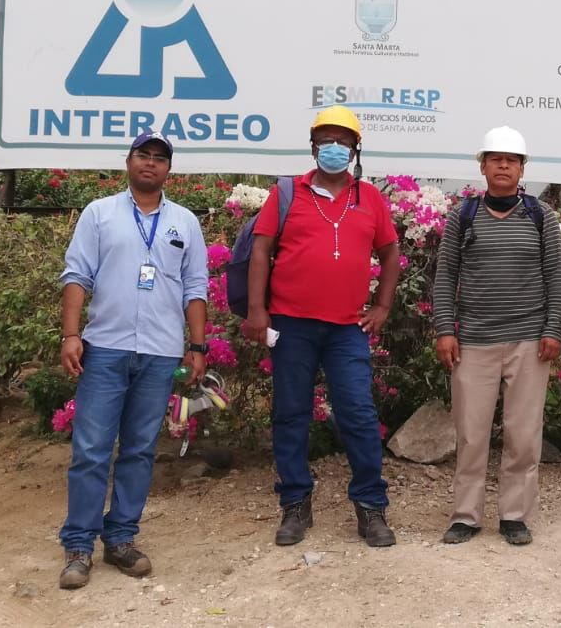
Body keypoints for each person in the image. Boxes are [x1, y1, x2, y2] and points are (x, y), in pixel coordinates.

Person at [241, 105, 402, 548]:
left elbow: (390, 253)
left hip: (347, 329)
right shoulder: (287, 192)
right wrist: (258, 310)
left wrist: (383, 306)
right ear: (313, 147)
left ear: (355, 149)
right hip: (291, 325)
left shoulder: (369, 198)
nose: (335, 148)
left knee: (359, 415)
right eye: (326, 140)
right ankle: (295, 504)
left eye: (343, 141)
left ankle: (370, 508)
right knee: (290, 415)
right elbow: (261, 251)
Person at [57, 132, 210, 590]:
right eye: (143, 155)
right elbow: (77, 274)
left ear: (168, 169)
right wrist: (70, 334)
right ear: (128, 162)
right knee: (90, 450)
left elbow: (195, 286)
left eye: (159, 158)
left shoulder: (185, 222)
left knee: (140, 450)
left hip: (161, 352)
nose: (150, 163)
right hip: (105, 347)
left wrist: (197, 346)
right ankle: (79, 544)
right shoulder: (99, 214)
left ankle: (121, 538)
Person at [433, 126, 561, 546]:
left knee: (523, 434)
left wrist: (553, 329)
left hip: (529, 340)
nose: (503, 166)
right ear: (483, 166)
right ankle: (465, 516)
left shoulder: (540, 215)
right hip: (473, 339)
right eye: (495, 159)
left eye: (511, 160)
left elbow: (557, 278)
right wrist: (444, 329)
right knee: (471, 434)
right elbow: (446, 276)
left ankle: (515, 515)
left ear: (523, 167)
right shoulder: (464, 215)